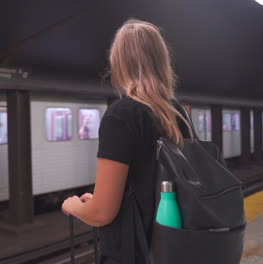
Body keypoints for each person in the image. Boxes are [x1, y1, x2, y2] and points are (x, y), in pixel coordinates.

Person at [61, 19, 193, 263]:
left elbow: (101, 214)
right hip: (175, 247)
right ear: (161, 60)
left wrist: (74, 206)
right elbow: (149, 186)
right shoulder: (178, 113)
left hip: (136, 252)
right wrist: (98, 200)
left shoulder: (121, 115)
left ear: (118, 64)